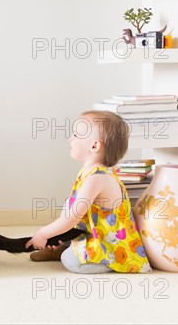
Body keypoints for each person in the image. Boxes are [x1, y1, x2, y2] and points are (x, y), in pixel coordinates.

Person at [26, 110, 151, 274]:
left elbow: (71, 218)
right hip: (91, 231)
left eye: (76, 135)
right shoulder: (90, 171)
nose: (70, 138)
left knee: (70, 260)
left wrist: (42, 234)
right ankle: (66, 246)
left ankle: (102, 260)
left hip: (109, 244)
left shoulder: (97, 179)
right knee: (68, 211)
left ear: (94, 146)